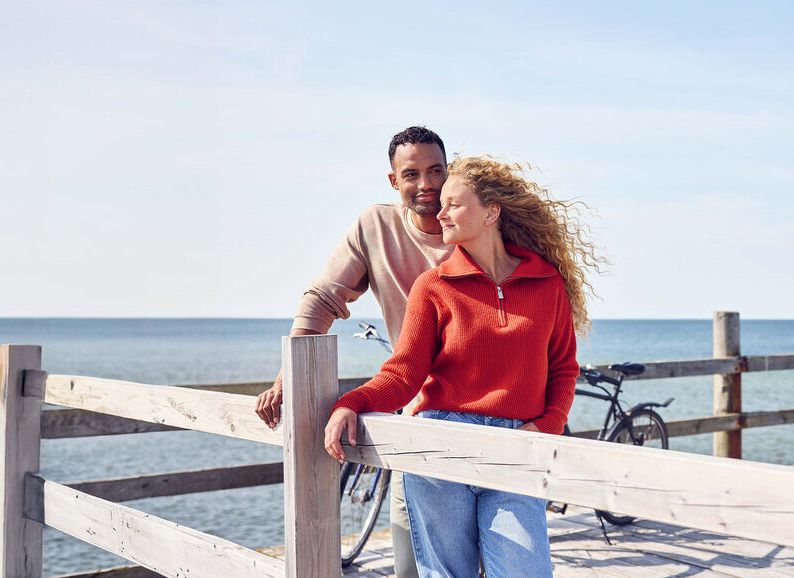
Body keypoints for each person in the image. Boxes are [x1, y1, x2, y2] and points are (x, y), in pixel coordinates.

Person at [323, 155, 603, 578]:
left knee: (524, 571)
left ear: (491, 212)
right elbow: (403, 374)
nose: (440, 212)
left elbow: (563, 369)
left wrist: (546, 427)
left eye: (454, 203)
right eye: (442, 205)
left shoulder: (547, 283)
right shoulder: (433, 286)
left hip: (516, 448)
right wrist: (352, 402)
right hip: (440, 445)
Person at [254, 125, 452, 578]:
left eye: (436, 170)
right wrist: (290, 376)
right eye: (412, 174)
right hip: (418, 412)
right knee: (410, 565)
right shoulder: (376, 226)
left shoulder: (476, 225)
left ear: (450, 170)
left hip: (485, 413)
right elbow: (323, 297)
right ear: (393, 181)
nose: (427, 185)